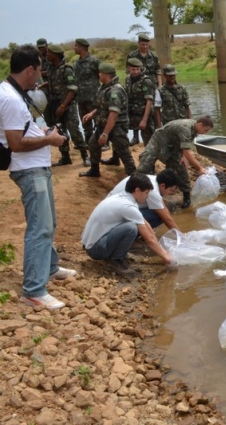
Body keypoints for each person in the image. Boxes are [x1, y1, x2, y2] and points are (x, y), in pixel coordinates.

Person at [0, 44, 76, 309]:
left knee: (49, 222)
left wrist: (42, 130)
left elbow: (23, 129)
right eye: (40, 70)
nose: (41, 76)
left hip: (37, 167)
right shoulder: (10, 98)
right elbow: (16, 143)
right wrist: (50, 139)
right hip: (28, 169)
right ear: (30, 69)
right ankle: (33, 290)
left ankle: (51, 267)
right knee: (39, 229)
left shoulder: (16, 92)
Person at [81, 173, 173, 276]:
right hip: (95, 250)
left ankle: (116, 254)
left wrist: (161, 248)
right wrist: (166, 258)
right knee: (131, 228)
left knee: (133, 225)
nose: (147, 196)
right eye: (146, 193)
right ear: (137, 190)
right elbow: (149, 239)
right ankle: (116, 261)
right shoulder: (128, 206)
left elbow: (145, 223)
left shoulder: (123, 197)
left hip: (90, 243)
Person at [137, 116, 213, 209]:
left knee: (181, 167)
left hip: (174, 146)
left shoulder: (194, 127)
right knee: (144, 167)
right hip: (158, 141)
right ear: (200, 124)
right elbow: (186, 150)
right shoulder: (185, 128)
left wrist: (184, 156)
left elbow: (186, 144)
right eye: (205, 130)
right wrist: (199, 168)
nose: (205, 133)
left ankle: (186, 197)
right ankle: (138, 191)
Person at [80, 63, 136, 178]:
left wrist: (105, 133)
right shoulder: (105, 87)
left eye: (100, 73)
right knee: (93, 144)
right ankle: (94, 170)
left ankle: (134, 176)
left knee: (123, 151)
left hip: (117, 127)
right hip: (104, 124)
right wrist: (92, 113)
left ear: (106, 75)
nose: (98, 75)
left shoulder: (114, 91)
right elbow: (103, 106)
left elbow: (114, 114)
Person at [44, 44, 89, 166]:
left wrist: (63, 106)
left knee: (74, 130)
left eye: (49, 53)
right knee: (59, 130)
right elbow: (55, 81)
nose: (47, 55)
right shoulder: (51, 67)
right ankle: (65, 157)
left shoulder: (67, 69)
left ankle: (85, 156)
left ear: (56, 55)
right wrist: (43, 85)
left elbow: (72, 89)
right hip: (55, 103)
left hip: (68, 105)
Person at [107, 169, 181, 231]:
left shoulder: (153, 180)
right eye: (171, 190)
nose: (170, 193)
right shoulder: (153, 190)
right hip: (115, 218)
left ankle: (141, 234)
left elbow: (164, 209)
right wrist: (182, 237)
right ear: (163, 185)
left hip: (113, 208)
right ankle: (135, 236)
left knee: (161, 212)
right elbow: (166, 218)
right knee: (158, 216)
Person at [126, 33, 161, 145]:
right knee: (134, 108)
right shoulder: (132, 55)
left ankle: (155, 132)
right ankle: (135, 136)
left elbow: (158, 71)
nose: (145, 46)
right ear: (138, 43)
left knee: (153, 109)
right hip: (136, 85)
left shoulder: (153, 56)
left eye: (146, 44)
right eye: (142, 44)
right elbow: (129, 72)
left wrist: (160, 86)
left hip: (151, 85)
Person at [121, 57, 155, 149]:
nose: (136, 72)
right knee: (120, 134)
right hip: (132, 113)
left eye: (137, 69)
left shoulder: (146, 81)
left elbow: (149, 101)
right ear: (129, 68)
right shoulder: (128, 78)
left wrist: (144, 120)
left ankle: (150, 160)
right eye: (133, 69)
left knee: (149, 141)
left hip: (144, 114)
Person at [73, 38, 101, 147]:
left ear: (82, 48)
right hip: (81, 98)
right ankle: (89, 142)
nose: (74, 48)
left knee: (98, 121)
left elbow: (103, 76)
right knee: (85, 122)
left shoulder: (94, 61)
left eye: (76, 46)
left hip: (93, 97)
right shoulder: (76, 64)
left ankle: (102, 142)